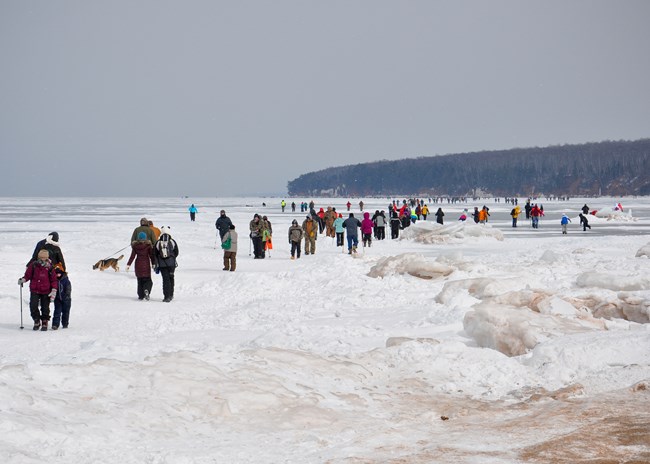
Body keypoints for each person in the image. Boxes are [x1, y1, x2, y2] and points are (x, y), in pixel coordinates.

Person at [19, 249, 58, 331]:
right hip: (35, 289)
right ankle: (36, 320)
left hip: (46, 290)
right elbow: (27, 275)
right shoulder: (33, 265)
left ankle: (44, 321)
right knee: (33, 306)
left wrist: (54, 289)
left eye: (44, 258)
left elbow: (54, 280)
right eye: (41, 258)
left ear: (47, 258)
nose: (42, 260)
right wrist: (23, 280)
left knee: (45, 307)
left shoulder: (50, 268)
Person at [126, 231, 154, 300]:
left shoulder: (135, 246)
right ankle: (146, 289)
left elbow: (132, 256)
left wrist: (128, 264)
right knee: (148, 280)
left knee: (140, 280)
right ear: (145, 238)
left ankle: (141, 295)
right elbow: (151, 256)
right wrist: (153, 263)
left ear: (138, 238)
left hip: (138, 264)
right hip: (146, 264)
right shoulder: (148, 246)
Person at [154, 226, 179, 302]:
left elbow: (155, 253)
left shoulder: (158, 242)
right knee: (171, 278)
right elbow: (177, 252)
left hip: (162, 265)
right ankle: (171, 295)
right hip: (171, 264)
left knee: (165, 280)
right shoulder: (172, 241)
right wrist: (172, 257)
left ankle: (166, 296)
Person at [52, 264, 72, 330]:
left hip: (66, 299)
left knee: (65, 312)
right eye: (56, 273)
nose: (58, 275)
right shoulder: (55, 280)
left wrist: (67, 295)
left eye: (59, 273)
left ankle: (65, 323)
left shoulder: (66, 280)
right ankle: (55, 324)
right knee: (57, 312)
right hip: (57, 299)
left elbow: (68, 288)